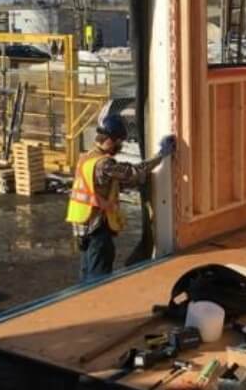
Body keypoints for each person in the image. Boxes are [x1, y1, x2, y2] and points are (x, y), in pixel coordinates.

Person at [66, 113, 176, 280]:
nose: (121, 146)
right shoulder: (105, 164)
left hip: (83, 227)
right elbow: (134, 172)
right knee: (98, 280)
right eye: (119, 142)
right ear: (110, 140)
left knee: (86, 277)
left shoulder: (86, 158)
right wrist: (161, 155)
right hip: (97, 230)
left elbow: (106, 185)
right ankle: (97, 305)